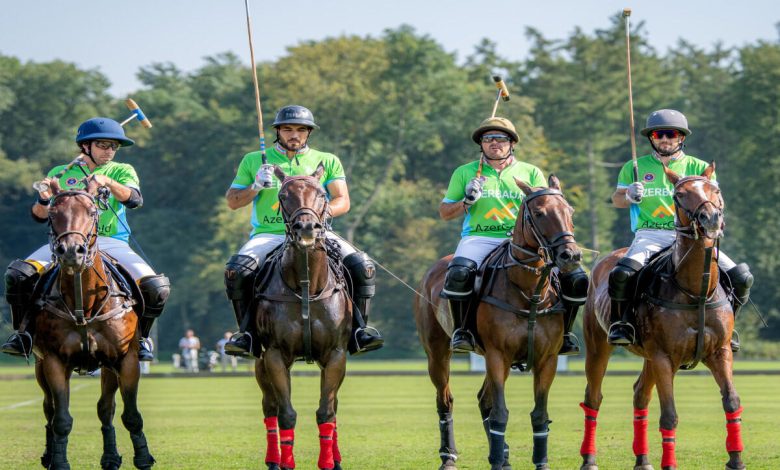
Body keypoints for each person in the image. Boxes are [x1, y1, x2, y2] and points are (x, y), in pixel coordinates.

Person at [1, 117, 170, 361]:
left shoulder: (121, 170)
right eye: (103, 145)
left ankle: (140, 337)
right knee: (17, 275)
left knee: (156, 287)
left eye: (114, 146)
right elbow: (39, 216)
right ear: (85, 146)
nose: (109, 151)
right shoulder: (61, 173)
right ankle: (23, 334)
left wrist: (107, 182)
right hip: (65, 242)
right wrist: (43, 197)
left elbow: (134, 199)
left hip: (111, 241)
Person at [222, 105, 383, 357]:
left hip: (316, 231)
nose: (294, 134)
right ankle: (247, 334)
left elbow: (343, 200)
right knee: (237, 269)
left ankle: (360, 330)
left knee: (363, 265)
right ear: (277, 132)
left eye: (300, 129)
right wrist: (255, 186)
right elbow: (233, 201)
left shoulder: (327, 160)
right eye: (287, 129)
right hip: (270, 234)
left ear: (308, 133)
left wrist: (316, 217)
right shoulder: (253, 160)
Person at [439, 117, 588, 354]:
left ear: (512, 143)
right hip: (480, 237)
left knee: (576, 278)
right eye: (488, 139)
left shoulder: (530, 172)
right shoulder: (465, 172)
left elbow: (548, 208)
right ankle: (463, 331)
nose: (494, 143)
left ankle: (566, 333)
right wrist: (467, 201)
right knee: (458, 273)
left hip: (526, 242)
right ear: (481, 144)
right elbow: (445, 212)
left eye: (501, 138)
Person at [608, 109, 753, 351]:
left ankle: (729, 325)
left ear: (681, 138)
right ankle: (622, 323)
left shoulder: (699, 166)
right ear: (651, 138)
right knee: (622, 273)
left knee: (741, 277)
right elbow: (617, 199)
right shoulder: (634, 167)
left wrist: (715, 224)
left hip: (694, 237)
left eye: (670, 134)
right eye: (658, 134)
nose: (664, 139)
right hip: (651, 234)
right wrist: (629, 195)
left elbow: (717, 199)